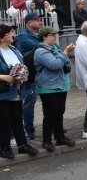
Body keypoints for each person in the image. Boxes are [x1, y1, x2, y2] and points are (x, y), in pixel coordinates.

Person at [34, 26, 76, 151]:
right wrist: (65, 52)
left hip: (61, 85)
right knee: (50, 115)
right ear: (44, 37)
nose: (55, 37)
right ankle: (46, 140)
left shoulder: (55, 48)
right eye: (52, 35)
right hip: (48, 87)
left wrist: (63, 56)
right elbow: (55, 65)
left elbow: (64, 62)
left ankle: (60, 137)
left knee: (59, 113)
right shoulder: (40, 51)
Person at [0, 24, 38, 159]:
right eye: (9, 33)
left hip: (16, 90)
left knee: (17, 119)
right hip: (2, 92)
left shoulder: (14, 49)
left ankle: (22, 145)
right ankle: (4, 147)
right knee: (5, 121)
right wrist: (4, 77)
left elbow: (22, 65)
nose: (13, 35)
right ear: (2, 37)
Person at [14, 11, 42, 140]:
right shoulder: (24, 37)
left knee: (47, 101)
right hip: (30, 76)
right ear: (29, 23)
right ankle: (29, 130)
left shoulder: (36, 36)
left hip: (40, 74)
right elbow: (41, 48)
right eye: (37, 20)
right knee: (29, 103)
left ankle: (52, 126)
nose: (40, 22)